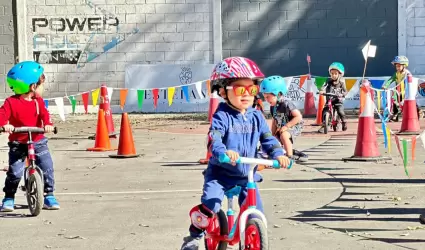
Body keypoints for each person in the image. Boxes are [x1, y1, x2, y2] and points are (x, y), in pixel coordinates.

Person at [180, 57, 291, 250]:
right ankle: (193, 237)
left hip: (247, 175)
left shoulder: (257, 116)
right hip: (221, 174)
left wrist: (278, 154)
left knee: (256, 212)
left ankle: (252, 235)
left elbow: (268, 139)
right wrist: (223, 151)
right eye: (240, 89)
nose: (247, 94)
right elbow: (214, 138)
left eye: (252, 89)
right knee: (211, 205)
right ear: (223, 91)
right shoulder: (221, 115)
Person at [0, 61, 60, 212]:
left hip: (38, 141)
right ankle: (8, 197)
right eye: (41, 85)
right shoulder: (10, 102)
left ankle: (48, 194)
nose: (42, 88)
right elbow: (2, 115)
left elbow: (45, 115)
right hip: (18, 143)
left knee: (47, 167)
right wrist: (4, 125)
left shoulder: (38, 102)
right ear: (33, 86)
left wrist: (48, 125)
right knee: (15, 171)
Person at [259, 75, 308, 162]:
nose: (266, 100)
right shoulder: (272, 106)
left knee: (284, 135)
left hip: (294, 126)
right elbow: (274, 120)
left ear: (278, 94)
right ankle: (279, 154)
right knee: (273, 140)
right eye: (264, 97)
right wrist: (273, 134)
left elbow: (298, 117)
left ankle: (289, 156)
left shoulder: (286, 104)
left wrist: (286, 126)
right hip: (283, 127)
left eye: (267, 97)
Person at [382, 56, 420, 122]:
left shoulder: (407, 73)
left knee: (409, 103)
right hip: (398, 91)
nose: (397, 68)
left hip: (407, 91)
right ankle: (395, 115)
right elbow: (391, 80)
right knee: (394, 101)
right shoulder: (396, 74)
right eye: (396, 66)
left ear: (404, 66)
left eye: (399, 66)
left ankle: (417, 112)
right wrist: (385, 85)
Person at [319, 62, 348, 132]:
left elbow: (345, 91)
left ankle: (344, 122)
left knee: (340, 111)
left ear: (340, 74)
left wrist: (343, 94)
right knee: (324, 110)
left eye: (335, 74)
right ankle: (324, 124)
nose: (333, 75)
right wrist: (321, 90)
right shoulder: (328, 81)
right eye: (332, 74)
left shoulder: (341, 82)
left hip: (338, 100)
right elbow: (324, 86)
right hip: (329, 100)